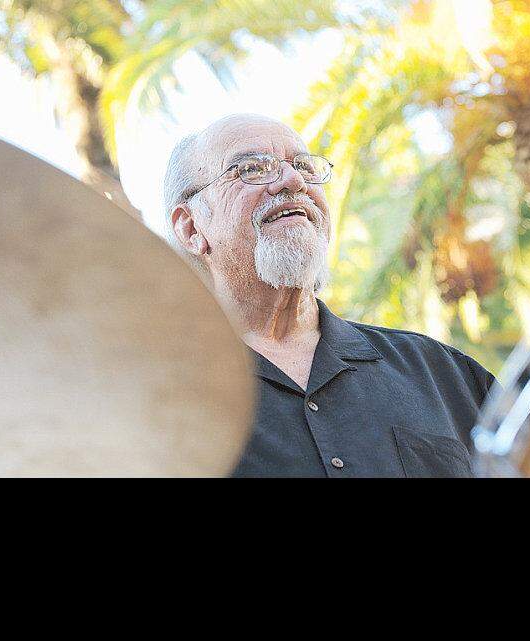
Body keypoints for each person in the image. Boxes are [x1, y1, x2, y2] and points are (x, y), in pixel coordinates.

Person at [162, 113, 496, 477]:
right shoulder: (153, 400)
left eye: (304, 167)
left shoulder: (442, 373)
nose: (292, 181)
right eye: (252, 169)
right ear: (191, 227)